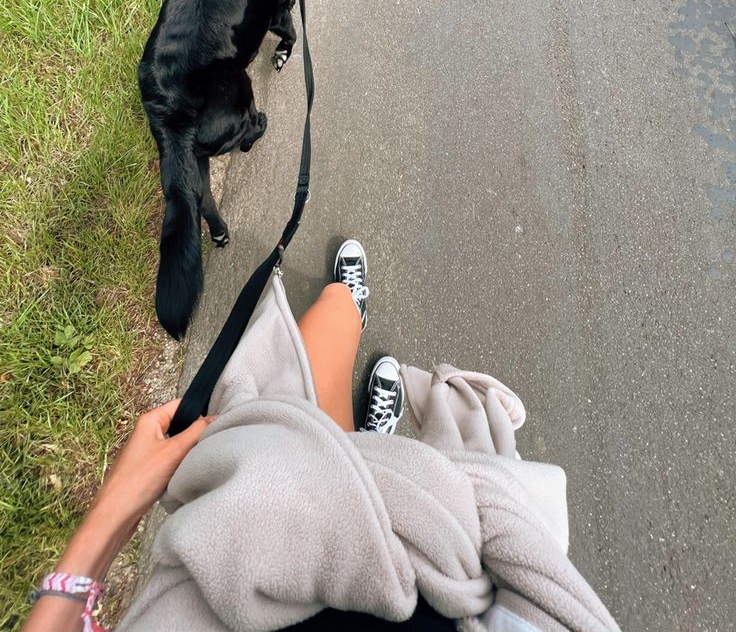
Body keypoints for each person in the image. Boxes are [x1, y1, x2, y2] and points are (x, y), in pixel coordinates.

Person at [23, 240, 619, 632]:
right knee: (331, 320)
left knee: (324, 332)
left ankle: (362, 425)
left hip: (251, 555)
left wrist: (111, 514)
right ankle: (366, 429)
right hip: (423, 579)